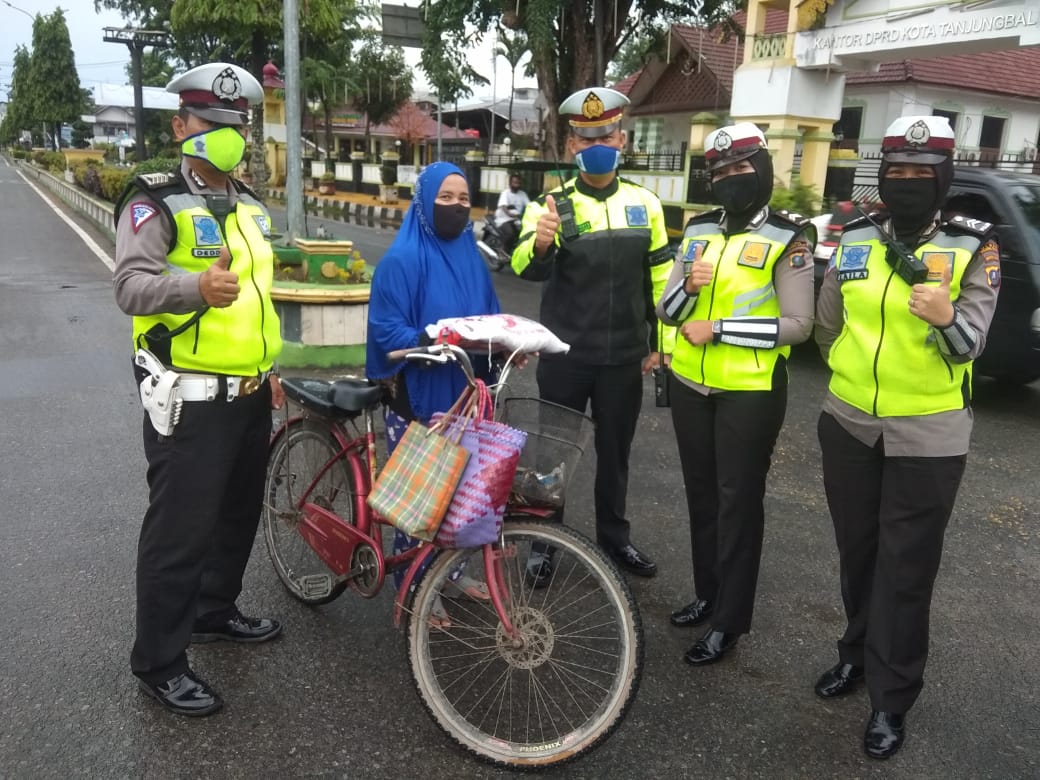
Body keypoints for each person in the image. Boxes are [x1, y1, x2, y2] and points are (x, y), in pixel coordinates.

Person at [813, 115, 1000, 759]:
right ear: (882, 175)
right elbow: (828, 322)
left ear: (945, 176)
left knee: (905, 570)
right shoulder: (856, 236)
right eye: (898, 171)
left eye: (924, 172)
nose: (910, 182)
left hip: (929, 434)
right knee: (858, 553)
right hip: (848, 423)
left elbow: (970, 346)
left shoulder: (974, 245)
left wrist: (945, 317)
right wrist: (853, 374)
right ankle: (856, 654)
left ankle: (891, 699)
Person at [113, 62, 285, 717]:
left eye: (235, 122)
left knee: (238, 514)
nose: (226, 133)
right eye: (211, 122)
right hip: (187, 396)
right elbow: (129, 285)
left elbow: (262, 299)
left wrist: (273, 371)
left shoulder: (248, 204)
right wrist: (195, 288)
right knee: (180, 530)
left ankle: (215, 610)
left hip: (248, 391)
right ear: (182, 125)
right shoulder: (152, 199)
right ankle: (158, 660)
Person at [656, 122, 815, 665]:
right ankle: (707, 593)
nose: (729, 179)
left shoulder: (789, 238)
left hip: (749, 391)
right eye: (720, 172)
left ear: (763, 170)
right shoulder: (698, 229)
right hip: (691, 386)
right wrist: (687, 288)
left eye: (740, 169)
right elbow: (668, 311)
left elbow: (799, 325)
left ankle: (730, 620)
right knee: (701, 495)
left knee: (738, 502)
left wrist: (719, 328)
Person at [511, 87, 673, 579]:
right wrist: (539, 245)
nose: (595, 143)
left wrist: (659, 343)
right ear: (572, 146)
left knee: (616, 453)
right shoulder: (549, 205)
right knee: (552, 450)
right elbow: (523, 268)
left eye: (604, 134)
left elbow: (661, 278)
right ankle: (544, 542)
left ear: (621, 138)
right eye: (585, 137)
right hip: (565, 356)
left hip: (624, 357)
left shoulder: (646, 204)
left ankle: (615, 539)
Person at [366, 161, 501, 624]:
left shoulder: (472, 257)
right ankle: (416, 583)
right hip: (420, 393)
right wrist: (432, 340)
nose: (456, 208)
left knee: (464, 490)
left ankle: (454, 569)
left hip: (467, 393)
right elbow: (387, 330)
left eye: (464, 199)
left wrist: (507, 347)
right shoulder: (401, 261)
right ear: (424, 203)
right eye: (445, 198)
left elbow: (490, 319)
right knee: (422, 500)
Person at [493, 173, 530, 249]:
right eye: (515, 183)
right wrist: (509, 214)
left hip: (517, 219)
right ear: (510, 183)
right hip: (504, 219)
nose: (517, 185)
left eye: (519, 183)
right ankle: (502, 250)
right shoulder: (505, 193)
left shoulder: (523, 194)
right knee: (510, 233)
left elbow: (529, 205)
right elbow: (503, 206)